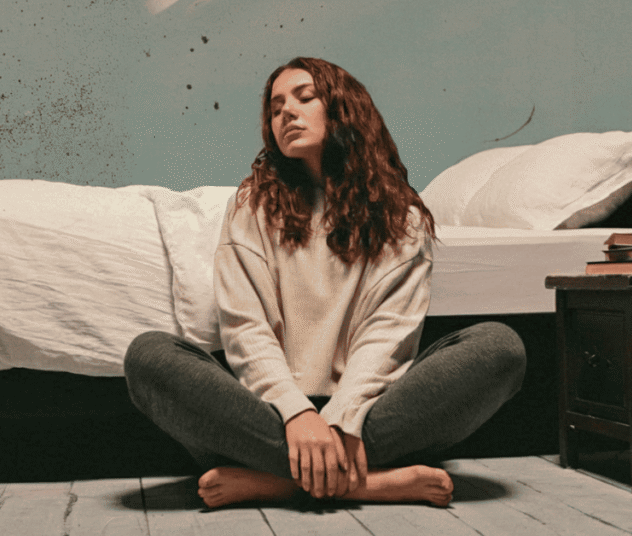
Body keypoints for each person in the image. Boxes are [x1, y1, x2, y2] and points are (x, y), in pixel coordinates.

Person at [124, 57, 526, 509]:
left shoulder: (402, 218)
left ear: (342, 108)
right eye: (275, 108)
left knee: (500, 347)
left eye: (304, 97)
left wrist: (340, 420)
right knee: (148, 356)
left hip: (368, 417)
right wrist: (296, 413)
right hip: (266, 417)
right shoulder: (250, 207)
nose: (286, 114)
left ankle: (275, 481)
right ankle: (368, 484)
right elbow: (244, 327)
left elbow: (388, 336)